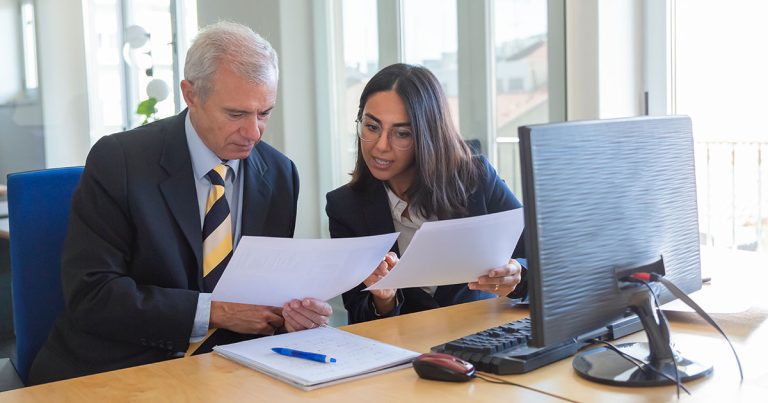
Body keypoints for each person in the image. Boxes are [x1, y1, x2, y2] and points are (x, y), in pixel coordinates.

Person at [29, 21, 331, 384]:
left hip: (232, 370)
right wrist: (214, 312)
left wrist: (293, 314)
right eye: (236, 114)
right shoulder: (120, 161)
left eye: (264, 113)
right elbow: (93, 295)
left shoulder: (279, 174)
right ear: (190, 94)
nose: (253, 132)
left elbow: (264, 289)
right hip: (121, 367)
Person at [326, 63, 526, 325]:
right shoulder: (345, 206)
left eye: (402, 133)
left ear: (428, 135)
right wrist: (384, 300)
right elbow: (358, 313)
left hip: (481, 339)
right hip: (403, 352)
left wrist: (517, 274)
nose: (380, 147)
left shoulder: (477, 179)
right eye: (372, 127)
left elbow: (540, 259)